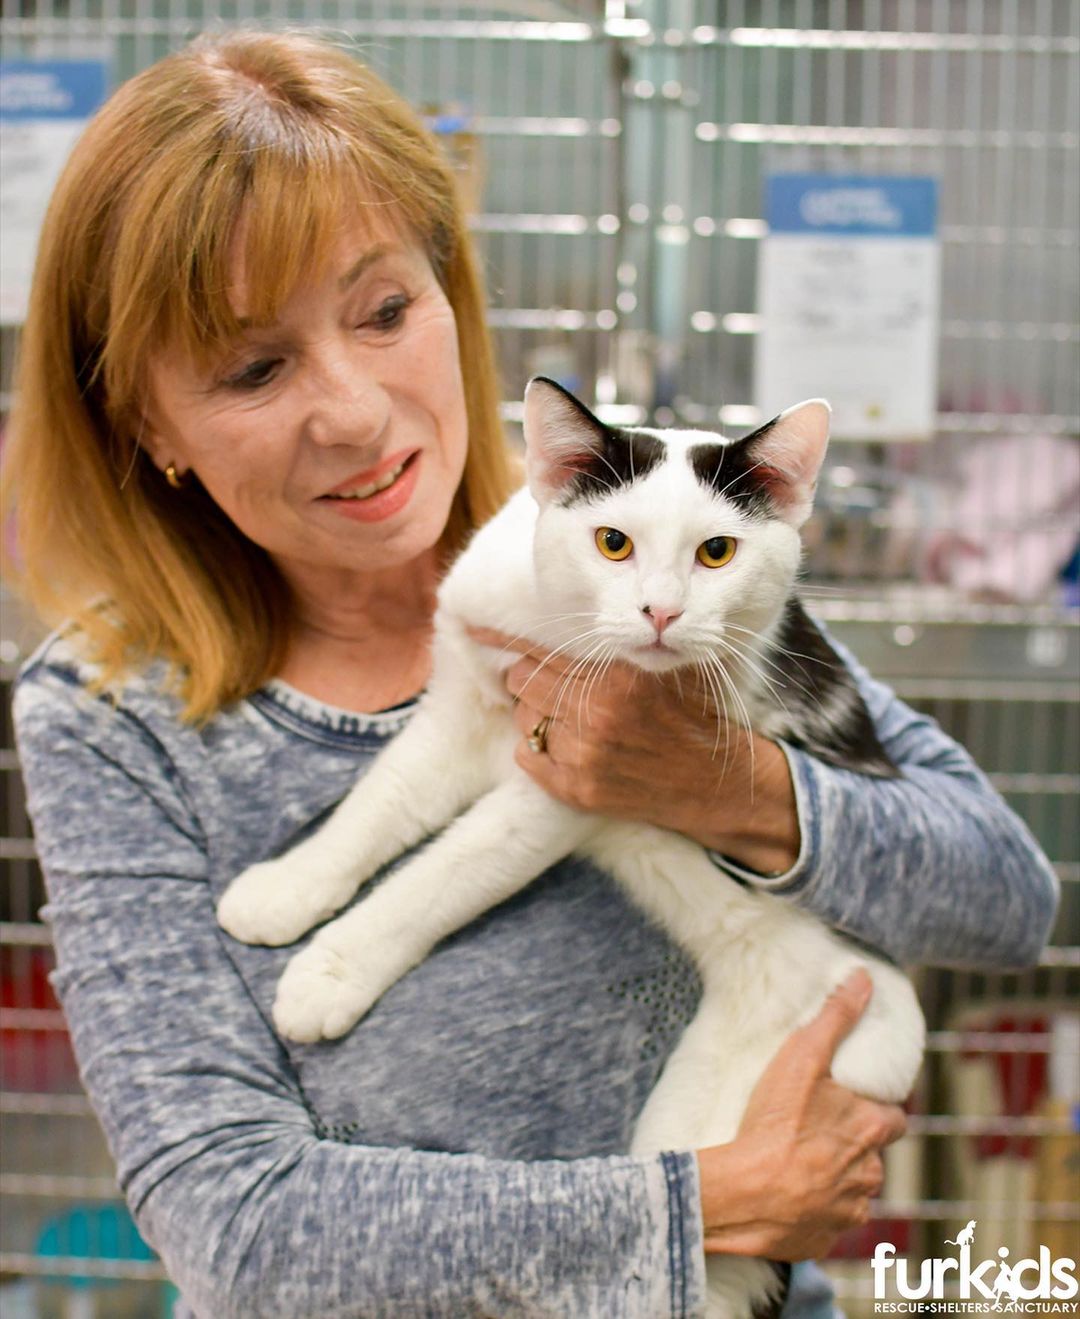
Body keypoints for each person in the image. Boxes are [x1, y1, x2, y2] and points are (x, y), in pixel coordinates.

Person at [4, 30, 1057, 1319]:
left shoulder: (640, 566)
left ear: (451, 298)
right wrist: (708, 1203)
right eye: (254, 367)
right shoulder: (113, 719)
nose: (353, 410)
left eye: (385, 311)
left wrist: (734, 787)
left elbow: (1006, 899)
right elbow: (241, 1230)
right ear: (147, 422)